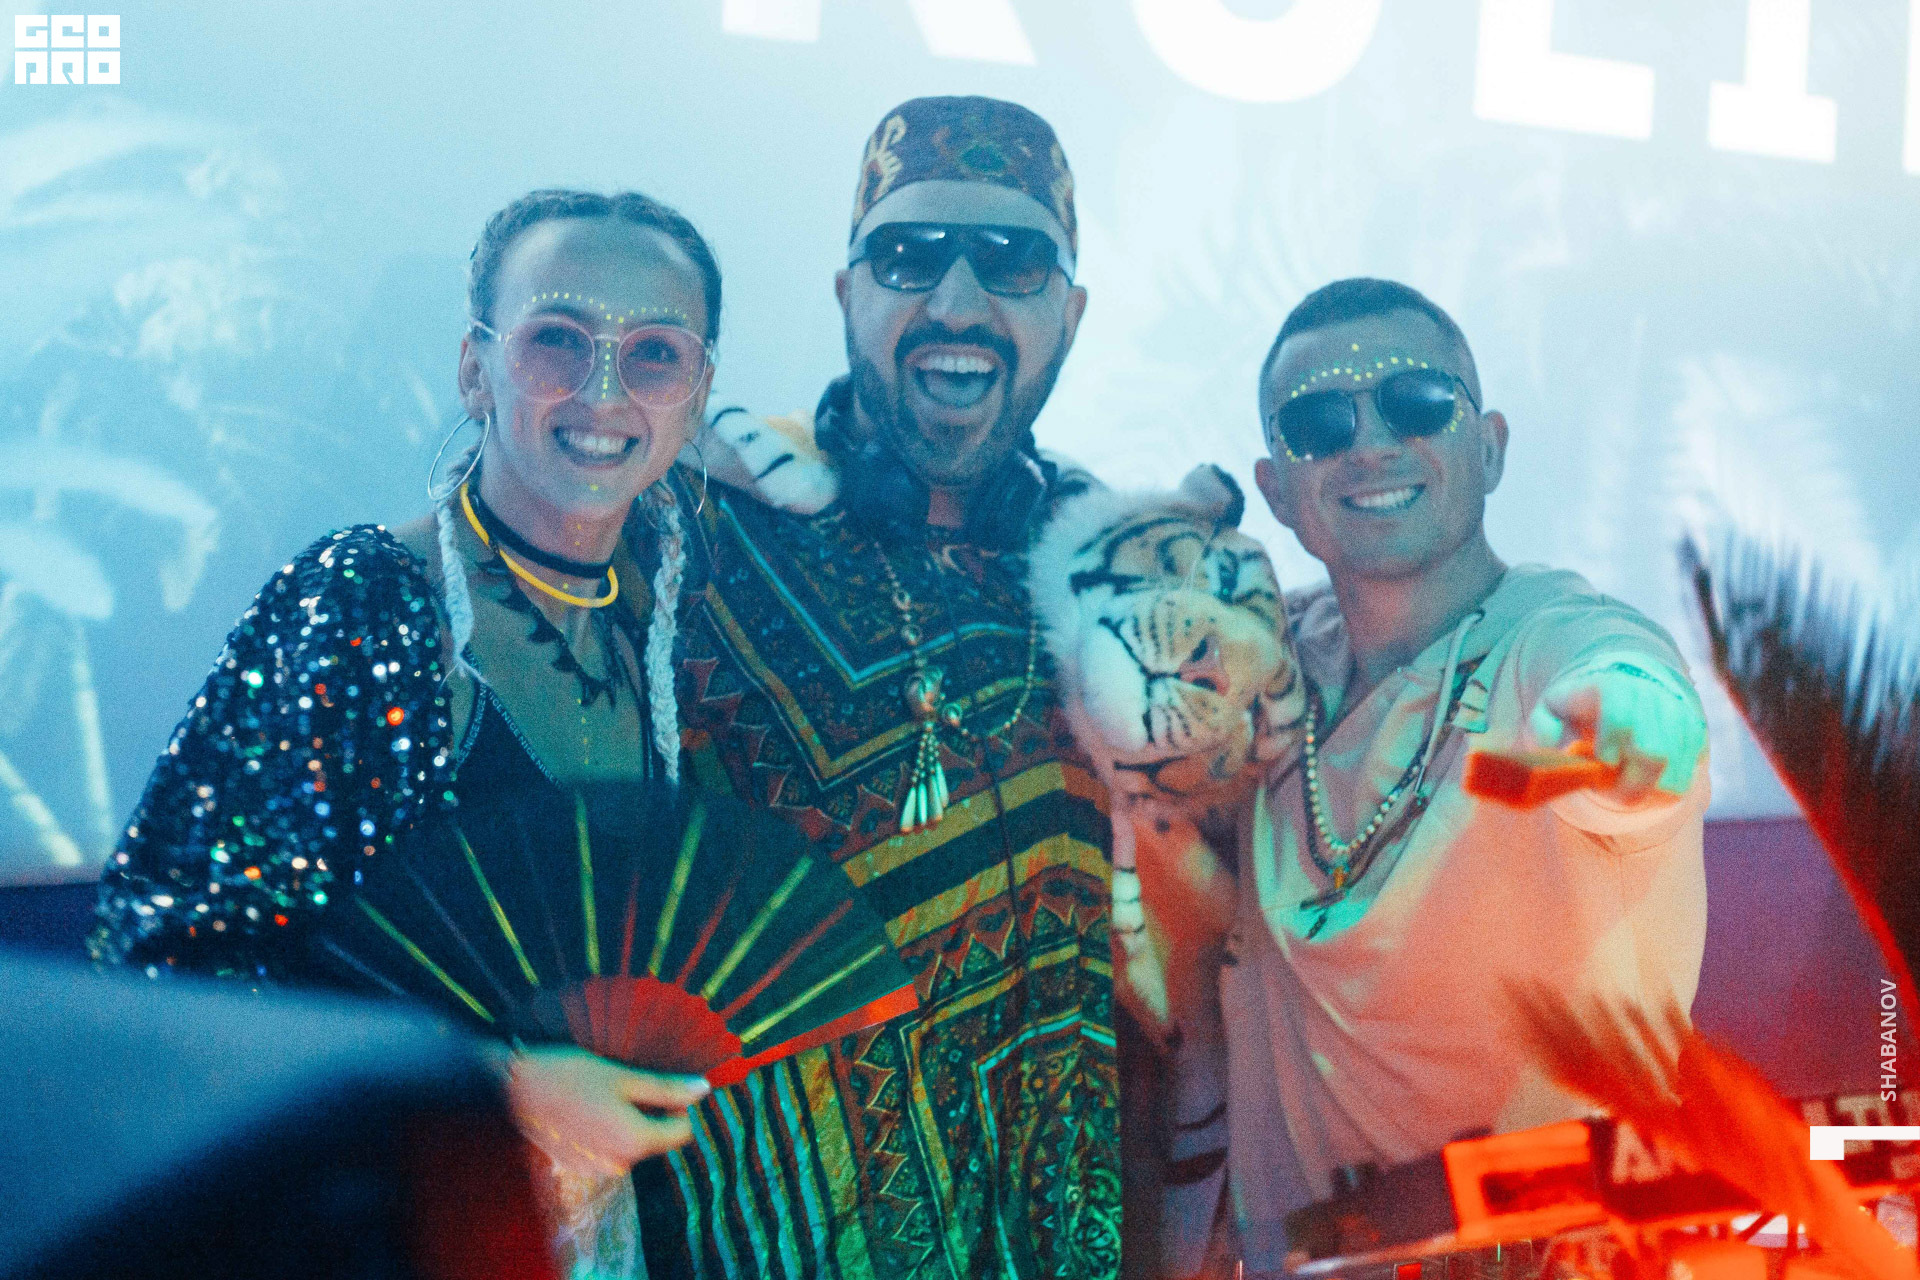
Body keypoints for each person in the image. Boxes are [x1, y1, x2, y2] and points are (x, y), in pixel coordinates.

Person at [91, 188, 728, 1275]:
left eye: (655, 354)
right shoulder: (363, 603)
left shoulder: (671, 615)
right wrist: (494, 1085)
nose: (603, 391)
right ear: (475, 368)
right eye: (557, 339)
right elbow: (172, 965)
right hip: (384, 1236)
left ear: (699, 392)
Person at [1125, 279, 1711, 1277]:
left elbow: (1629, 688)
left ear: (1490, 445)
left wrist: (1633, 728)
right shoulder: (1269, 663)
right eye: (1320, 424)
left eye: (1416, 403)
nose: (1369, 445)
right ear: (1277, 489)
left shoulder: (1554, 642)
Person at [638, 96, 1120, 1280]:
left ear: (1069, 313)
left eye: (1012, 260)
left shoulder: (1110, 579)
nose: (956, 301)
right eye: (908, 255)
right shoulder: (691, 532)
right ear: (848, 291)